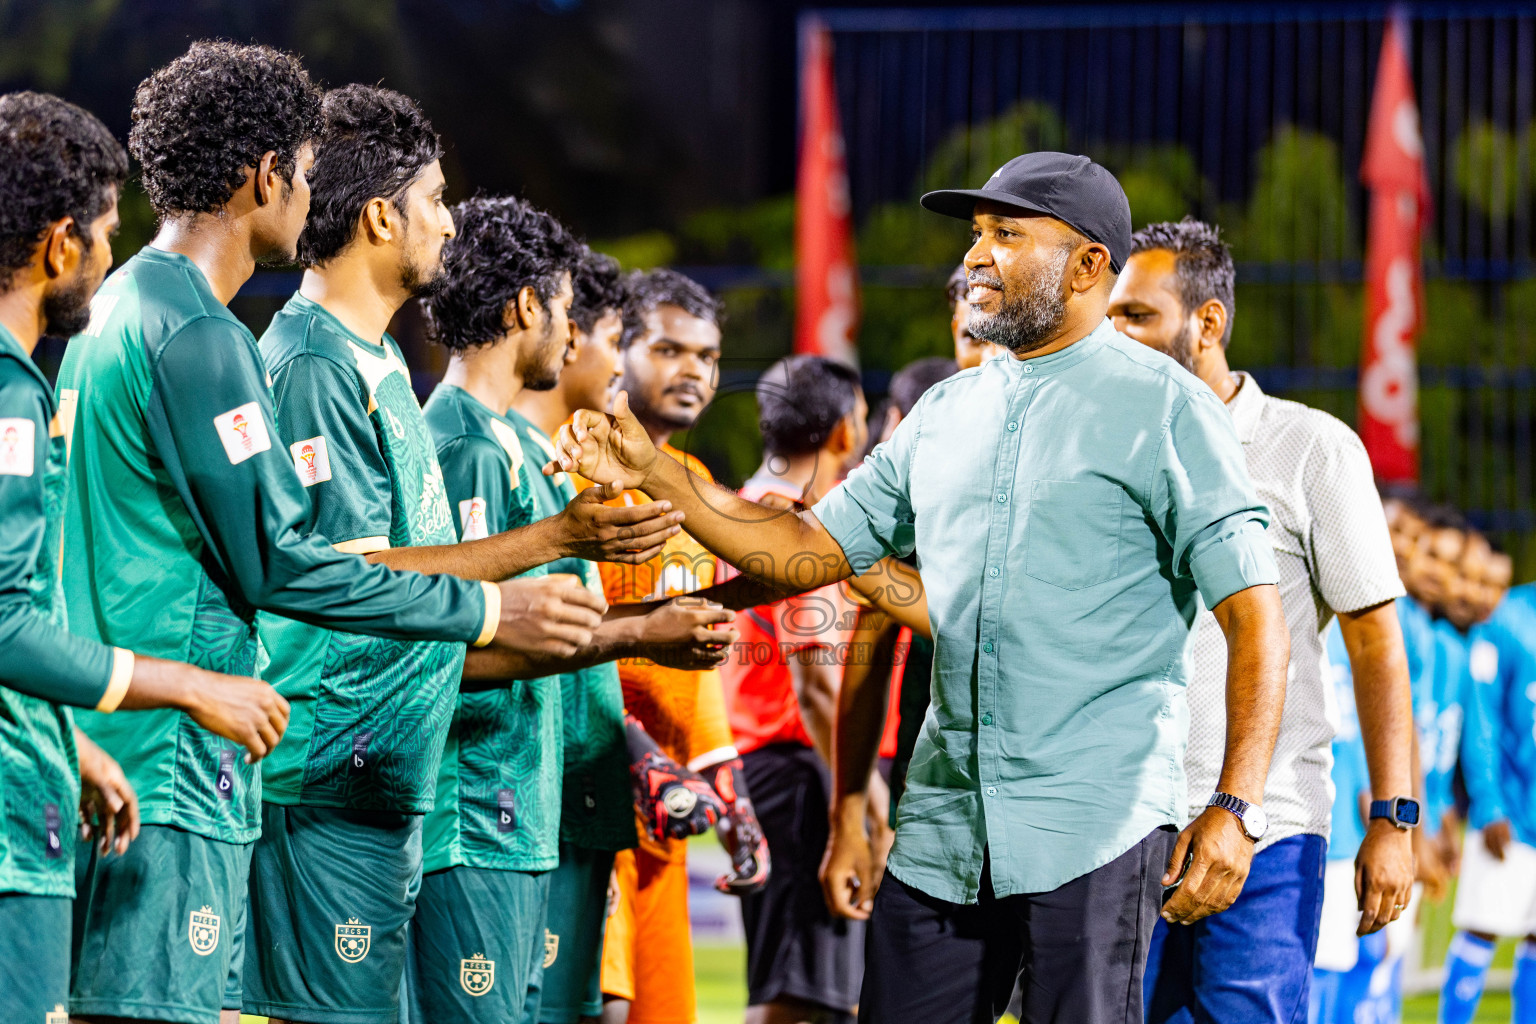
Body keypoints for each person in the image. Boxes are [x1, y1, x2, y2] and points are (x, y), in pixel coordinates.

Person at [549, 152, 1291, 1024]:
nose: (978, 257)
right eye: (978, 235)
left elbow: (1255, 616)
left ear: (1092, 265)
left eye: (1008, 235)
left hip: (1096, 820)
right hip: (943, 830)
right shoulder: (946, 412)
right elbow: (808, 550)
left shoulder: (1168, 409)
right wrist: (660, 476)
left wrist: (1236, 805)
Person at [57, 47, 603, 1024]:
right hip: (186, 759)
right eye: (306, 171)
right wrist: (494, 597)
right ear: (267, 174)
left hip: (163, 749)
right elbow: (288, 562)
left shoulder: (139, 312)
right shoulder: (199, 332)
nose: (314, 197)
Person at [244, 90, 677, 1024]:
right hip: (343, 772)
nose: (450, 222)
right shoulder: (318, 367)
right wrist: (559, 557)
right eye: (437, 199)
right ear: (381, 217)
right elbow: (347, 584)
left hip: (391, 778)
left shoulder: (375, 363)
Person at [0, 90, 294, 1024]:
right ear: (58, 247)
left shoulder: (71, 354)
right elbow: (2, 620)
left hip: (68, 767)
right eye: (101, 228)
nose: (110, 248)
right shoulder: (16, 392)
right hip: (49, 824)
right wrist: (191, 687)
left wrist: (68, 738)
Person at [413, 195, 739, 1024]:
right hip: (487, 806)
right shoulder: (464, 445)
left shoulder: (525, 450)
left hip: (541, 803)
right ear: (529, 307)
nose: (582, 336)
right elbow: (461, 635)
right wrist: (642, 633)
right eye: (571, 312)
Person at [1107, 219, 1416, 1021]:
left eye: (1136, 316)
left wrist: (1395, 818)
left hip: (1266, 833)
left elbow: (1377, 646)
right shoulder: (1102, 453)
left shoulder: (1310, 448)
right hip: (1118, 830)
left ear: (1206, 324)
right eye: (1109, 316)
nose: (1113, 335)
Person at [588, 267, 766, 1024]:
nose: (694, 369)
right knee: (604, 1008)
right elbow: (558, 638)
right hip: (591, 790)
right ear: (615, 350)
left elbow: (700, 668)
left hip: (669, 813)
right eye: (669, 349)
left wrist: (730, 790)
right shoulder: (584, 469)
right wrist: (638, 755)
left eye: (708, 355)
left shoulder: (691, 481)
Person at [720, 354, 875, 1024]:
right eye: (863, 416)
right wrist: (865, 800)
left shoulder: (739, 510)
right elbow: (816, 682)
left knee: (803, 984)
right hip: (800, 769)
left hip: (765, 767)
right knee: (801, 992)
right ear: (842, 430)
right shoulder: (790, 521)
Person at [1437, 546, 1532, 1024]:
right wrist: (1490, 804)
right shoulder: (1510, 618)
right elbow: (1482, 720)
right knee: (1482, 928)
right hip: (1513, 815)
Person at [946, 264, 1002, 369]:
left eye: (1009, 340)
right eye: (974, 337)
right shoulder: (921, 384)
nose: (989, 359)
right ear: (955, 331)